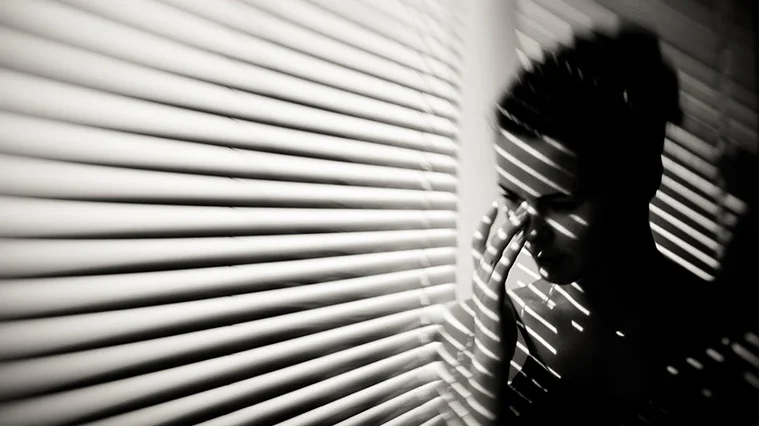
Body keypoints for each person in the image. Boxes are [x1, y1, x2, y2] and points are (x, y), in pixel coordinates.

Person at [439, 26, 749, 425]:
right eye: (513, 197)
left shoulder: (716, 332)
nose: (530, 230)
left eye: (561, 203)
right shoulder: (477, 332)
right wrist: (489, 364)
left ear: (641, 181)